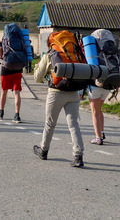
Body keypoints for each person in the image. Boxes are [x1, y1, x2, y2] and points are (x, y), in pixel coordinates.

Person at [32, 33, 85, 167]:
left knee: (50, 123)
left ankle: (43, 150)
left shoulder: (50, 55)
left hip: (56, 93)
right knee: (73, 125)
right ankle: (78, 156)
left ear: (51, 42)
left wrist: (37, 68)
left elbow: (37, 78)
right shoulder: (74, 54)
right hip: (73, 92)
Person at [0, 41, 22, 123]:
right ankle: (17, 115)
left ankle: (1, 112)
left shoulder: (2, 42)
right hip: (17, 69)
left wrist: (0, 55)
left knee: (4, 91)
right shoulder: (19, 42)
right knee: (16, 92)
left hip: (6, 70)